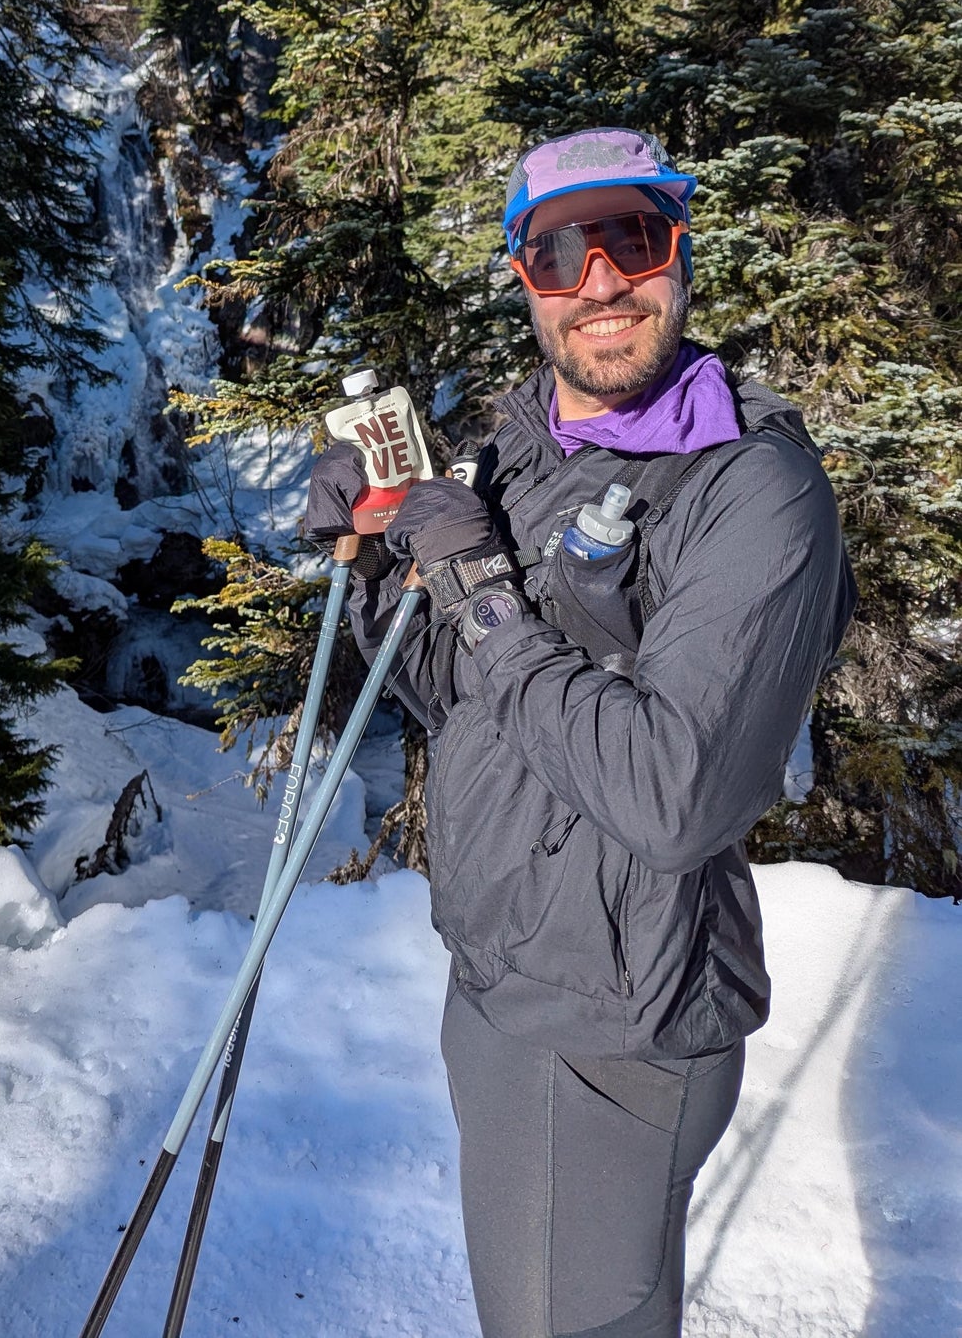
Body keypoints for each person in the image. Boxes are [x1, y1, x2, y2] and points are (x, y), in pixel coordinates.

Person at [305, 127, 856, 1338]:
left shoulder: (748, 486)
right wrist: (371, 567)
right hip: (509, 978)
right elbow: (447, 693)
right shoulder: (518, 447)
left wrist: (478, 590)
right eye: (561, 250)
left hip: (607, 1024)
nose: (599, 280)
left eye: (629, 238)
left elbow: (676, 794)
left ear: (677, 248)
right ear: (524, 277)